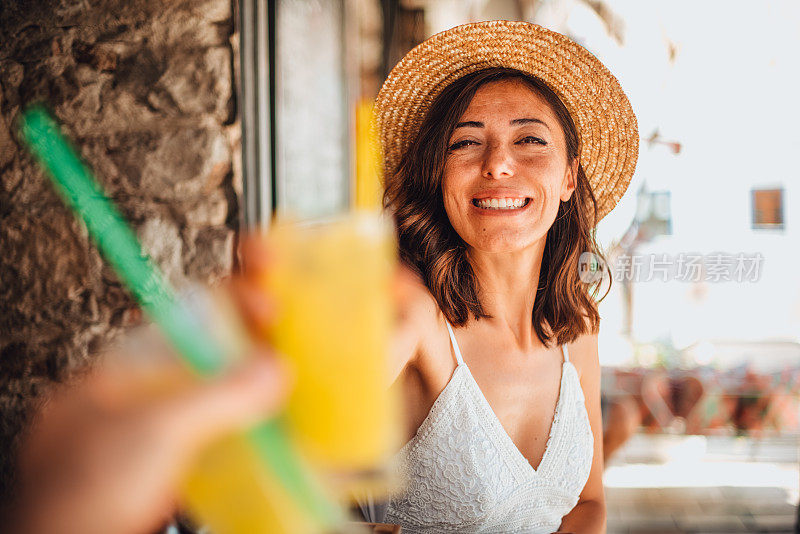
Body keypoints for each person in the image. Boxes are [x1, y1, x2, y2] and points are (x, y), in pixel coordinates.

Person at [363, 20, 639, 533]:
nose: (498, 165)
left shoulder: (576, 324)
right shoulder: (415, 318)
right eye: (465, 143)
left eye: (529, 139)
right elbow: (278, 464)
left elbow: (587, 504)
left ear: (568, 176)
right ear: (438, 174)